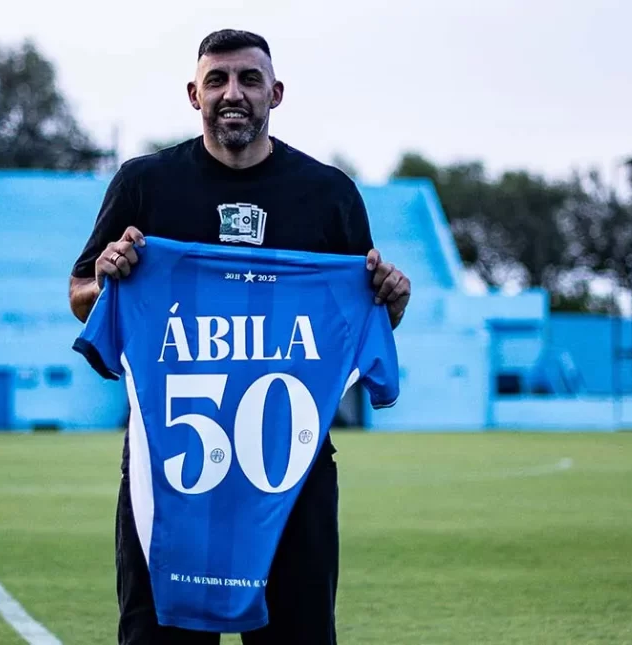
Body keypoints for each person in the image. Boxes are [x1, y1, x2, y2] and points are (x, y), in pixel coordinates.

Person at [67, 28, 410, 645]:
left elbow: (362, 321)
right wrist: (107, 279)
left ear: (276, 93)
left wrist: (392, 301)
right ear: (193, 93)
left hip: (291, 473)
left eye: (250, 80)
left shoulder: (328, 195)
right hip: (169, 471)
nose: (234, 93)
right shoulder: (145, 184)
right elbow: (80, 294)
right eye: (218, 79)